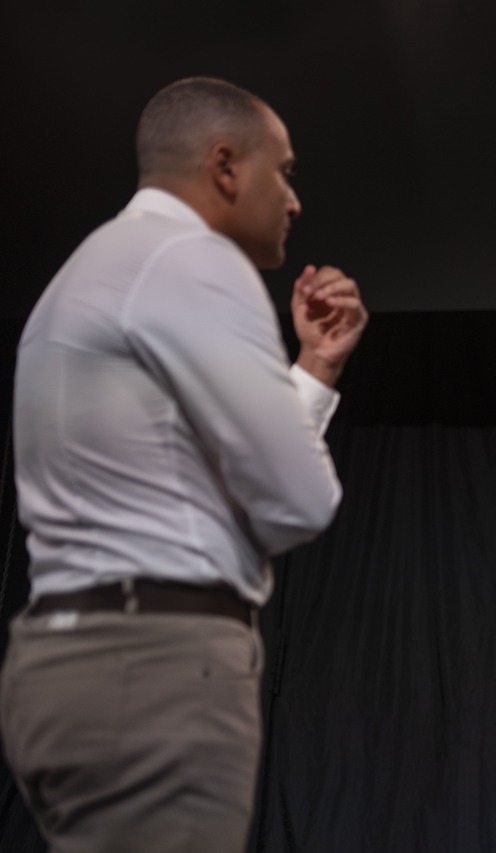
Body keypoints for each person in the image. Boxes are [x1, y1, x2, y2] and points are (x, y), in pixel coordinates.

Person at [0, 77, 368, 852]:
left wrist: (311, 370)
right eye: (285, 171)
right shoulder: (196, 259)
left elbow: (186, 496)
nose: (294, 200)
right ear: (225, 166)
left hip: (67, 665)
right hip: (154, 667)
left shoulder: (88, 271)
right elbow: (300, 500)